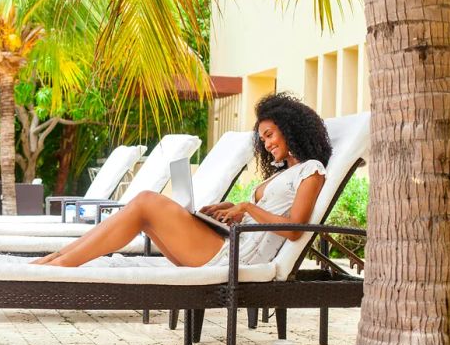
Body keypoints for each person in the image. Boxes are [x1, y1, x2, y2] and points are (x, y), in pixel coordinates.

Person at [32, 92, 332, 267]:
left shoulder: (311, 170)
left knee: (147, 201)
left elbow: (296, 229)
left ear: (290, 130)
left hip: (237, 260)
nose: (266, 144)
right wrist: (228, 208)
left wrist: (246, 208)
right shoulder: (284, 173)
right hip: (230, 243)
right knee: (144, 209)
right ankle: (57, 259)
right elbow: (263, 214)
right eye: (262, 138)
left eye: (270, 135)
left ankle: (58, 264)